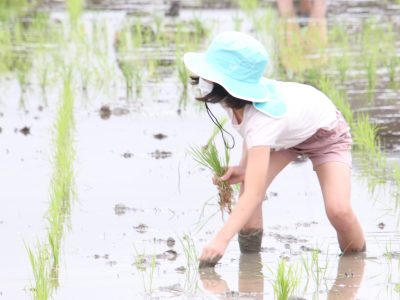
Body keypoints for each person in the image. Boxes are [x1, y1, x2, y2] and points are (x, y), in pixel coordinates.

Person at [183, 31, 365, 268]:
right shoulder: (232, 100)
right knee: (248, 204)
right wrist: (244, 168)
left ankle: (355, 268)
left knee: (338, 210)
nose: (203, 81)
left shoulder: (261, 120)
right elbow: (251, 134)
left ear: (226, 84)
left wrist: (220, 240)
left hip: (325, 134)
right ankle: (250, 268)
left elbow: (255, 187)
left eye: (209, 75)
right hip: (285, 136)